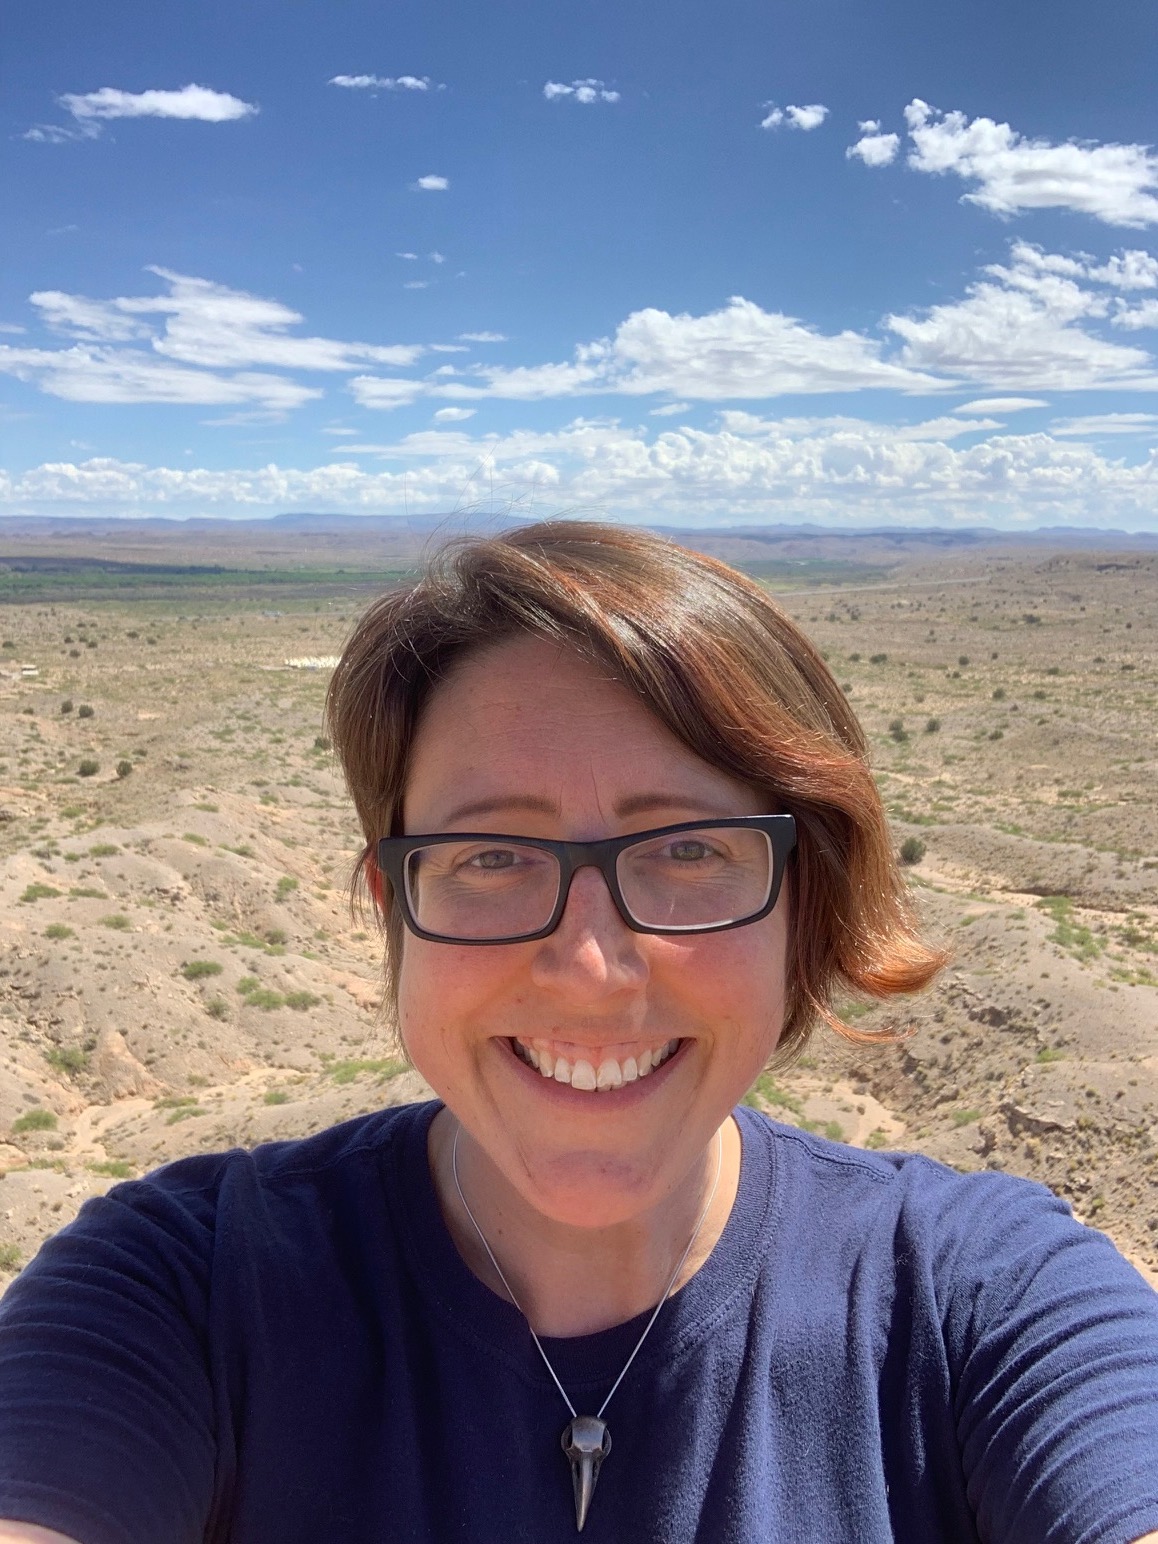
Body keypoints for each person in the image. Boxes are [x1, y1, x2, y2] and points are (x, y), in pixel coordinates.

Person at [1, 519, 1156, 1544]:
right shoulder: (181, 1290)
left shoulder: (978, 1300)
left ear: (805, 899)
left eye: (688, 850)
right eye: (492, 856)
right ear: (390, 903)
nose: (592, 969)